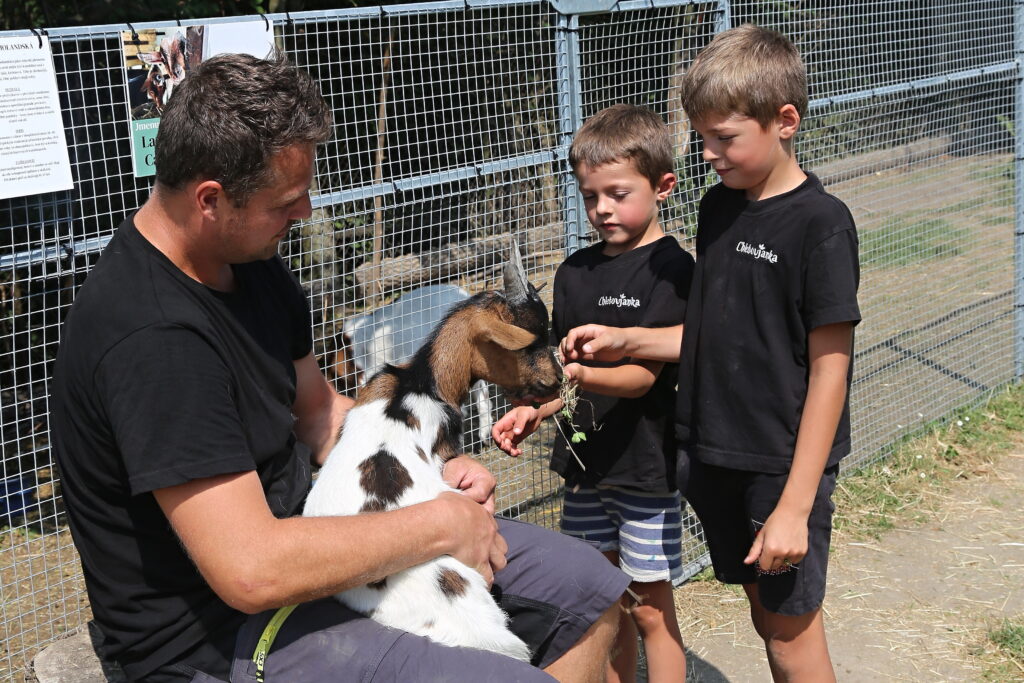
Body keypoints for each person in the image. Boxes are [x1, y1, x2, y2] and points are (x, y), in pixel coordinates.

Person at [49, 53, 630, 683]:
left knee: (588, 590)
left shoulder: (251, 265)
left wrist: (425, 462)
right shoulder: (152, 339)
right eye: (286, 202)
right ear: (210, 199)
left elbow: (323, 416)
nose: (303, 215)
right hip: (219, 633)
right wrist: (436, 522)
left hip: (316, 542)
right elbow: (250, 569)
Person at [559, 25, 861, 683]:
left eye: (723, 138)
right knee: (764, 615)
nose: (708, 153)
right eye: (702, 137)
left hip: (778, 464)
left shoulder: (822, 224)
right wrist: (625, 341)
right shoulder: (721, 205)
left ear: (785, 121)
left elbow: (832, 370)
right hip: (715, 453)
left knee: (788, 632)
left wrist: (793, 505)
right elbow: (712, 331)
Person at [492, 104, 694, 683]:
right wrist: (534, 409)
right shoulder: (574, 273)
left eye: (618, 193)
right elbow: (564, 374)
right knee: (602, 607)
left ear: (663, 187)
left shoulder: (671, 270)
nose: (602, 208)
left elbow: (640, 379)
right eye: (589, 196)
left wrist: (574, 376)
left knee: (651, 611)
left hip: (644, 472)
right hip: (585, 470)